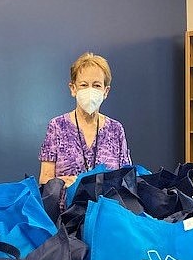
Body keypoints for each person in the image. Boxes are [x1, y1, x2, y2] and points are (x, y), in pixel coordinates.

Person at [38, 52, 132, 188]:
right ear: (73, 89)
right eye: (83, 85)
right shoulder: (57, 126)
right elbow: (44, 179)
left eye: (97, 85)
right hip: (68, 207)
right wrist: (64, 182)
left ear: (106, 92)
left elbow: (126, 178)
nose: (90, 90)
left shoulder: (116, 129)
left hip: (106, 205)